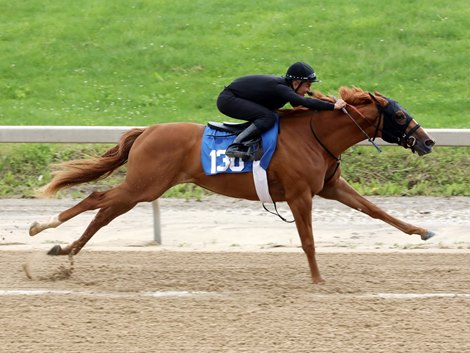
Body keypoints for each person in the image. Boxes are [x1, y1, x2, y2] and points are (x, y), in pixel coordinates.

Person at [216, 62, 347, 160]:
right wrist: (333, 107)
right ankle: (236, 145)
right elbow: (305, 102)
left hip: (237, 97)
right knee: (268, 117)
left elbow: (302, 106)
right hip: (228, 100)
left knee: (269, 115)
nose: (308, 90)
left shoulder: (287, 88)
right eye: (308, 85)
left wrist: (327, 102)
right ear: (296, 83)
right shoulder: (281, 88)